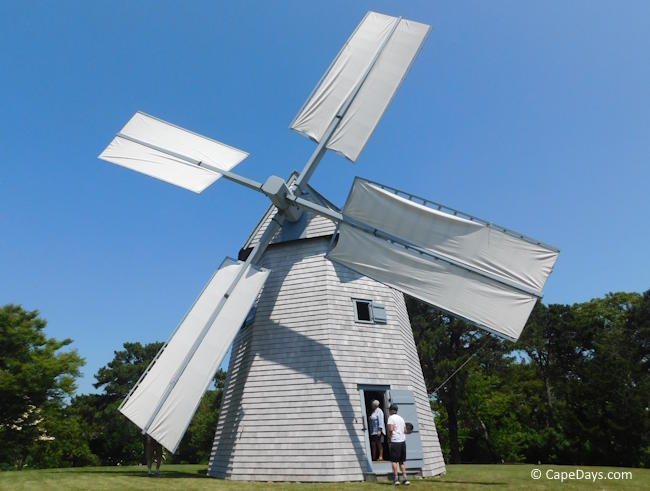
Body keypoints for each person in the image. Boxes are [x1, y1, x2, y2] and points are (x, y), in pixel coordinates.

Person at [387, 404, 409, 486]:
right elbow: (405, 431)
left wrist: (390, 437)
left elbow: (391, 429)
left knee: (394, 461)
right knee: (401, 462)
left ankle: (396, 479)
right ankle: (405, 479)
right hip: (403, 441)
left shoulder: (391, 418)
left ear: (391, 410)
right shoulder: (401, 418)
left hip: (395, 441)